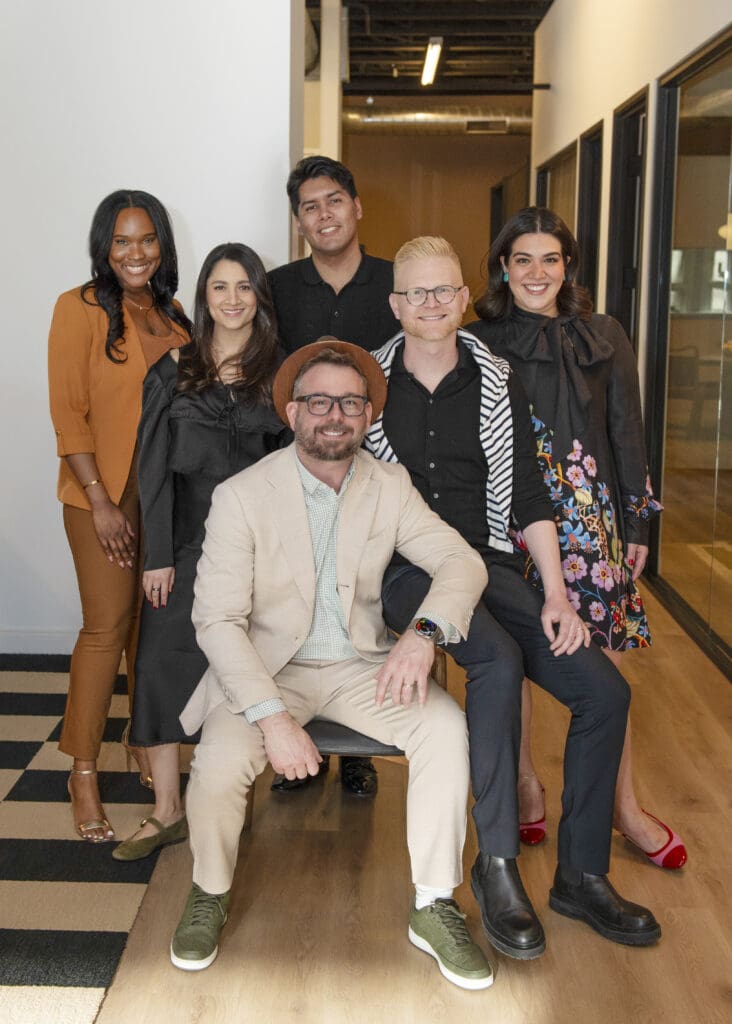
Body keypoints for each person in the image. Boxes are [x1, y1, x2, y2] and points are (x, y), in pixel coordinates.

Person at [365, 236, 661, 958]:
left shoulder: (496, 377)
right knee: (494, 660)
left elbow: (528, 494)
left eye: (445, 291)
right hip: (404, 570)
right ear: (397, 303)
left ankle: (581, 875)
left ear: (465, 298)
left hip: (492, 564)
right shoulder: (364, 381)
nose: (432, 305)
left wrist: (557, 594)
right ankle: (496, 861)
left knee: (604, 693)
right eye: (417, 294)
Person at [170, 342, 493, 990]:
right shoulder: (243, 497)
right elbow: (216, 620)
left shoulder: (389, 486)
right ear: (293, 413)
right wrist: (271, 718)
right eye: (319, 402)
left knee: (444, 730)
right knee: (219, 763)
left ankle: (433, 902)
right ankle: (208, 889)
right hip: (267, 670)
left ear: (369, 415)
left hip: (360, 667)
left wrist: (423, 635)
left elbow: (463, 562)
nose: (335, 415)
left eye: (350, 403)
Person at [468, 207, 686, 870]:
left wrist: (638, 519)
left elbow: (627, 428)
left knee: (607, 665)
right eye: (523, 259)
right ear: (504, 268)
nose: (538, 273)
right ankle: (529, 787)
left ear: (568, 267)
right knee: (520, 661)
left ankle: (623, 807)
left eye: (551, 259)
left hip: (593, 523)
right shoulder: (478, 338)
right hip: (507, 521)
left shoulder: (605, 333)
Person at [112, 243, 290, 861]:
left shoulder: (282, 372)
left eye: (245, 286)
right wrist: (156, 555)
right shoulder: (173, 369)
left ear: (259, 297)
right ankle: (166, 809)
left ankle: (229, 798)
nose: (233, 299)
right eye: (221, 286)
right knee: (161, 665)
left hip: (262, 554)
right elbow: (153, 472)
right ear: (204, 297)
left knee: (245, 672)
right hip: (185, 546)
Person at [48, 190, 191, 843]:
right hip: (100, 496)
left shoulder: (173, 311)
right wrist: (102, 502)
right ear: (104, 247)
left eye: (147, 239)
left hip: (163, 497)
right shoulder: (77, 310)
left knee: (150, 635)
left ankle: (142, 745)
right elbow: (68, 413)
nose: (136, 253)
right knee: (107, 630)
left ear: (162, 244)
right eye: (122, 241)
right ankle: (82, 770)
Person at [268, 155, 398, 795]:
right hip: (305, 472)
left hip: (383, 472)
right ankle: (299, 738)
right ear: (299, 222)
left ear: (356, 206)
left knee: (366, 596)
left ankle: (358, 752)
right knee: (304, 594)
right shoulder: (276, 287)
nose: (324, 214)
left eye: (334, 201)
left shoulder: (396, 282)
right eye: (310, 206)